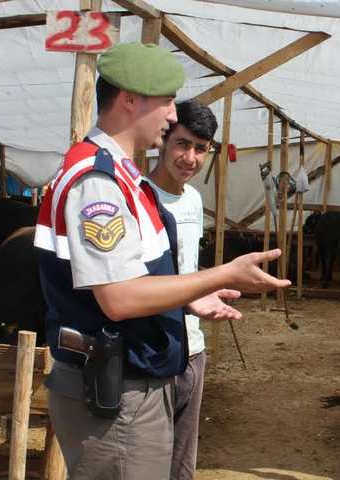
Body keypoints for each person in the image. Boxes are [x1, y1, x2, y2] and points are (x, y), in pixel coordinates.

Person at [34, 42, 289, 479]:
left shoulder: (121, 176)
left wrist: (186, 300)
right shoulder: (100, 181)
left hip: (130, 380)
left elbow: (124, 279)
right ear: (130, 99)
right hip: (117, 390)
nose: (172, 114)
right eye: (166, 101)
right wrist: (223, 273)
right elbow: (119, 297)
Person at [147, 98, 217, 480]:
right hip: (150, 349)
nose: (190, 157)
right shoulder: (138, 195)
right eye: (183, 144)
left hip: (192, 347)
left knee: (182, 464)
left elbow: (187, 268)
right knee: (146, 459)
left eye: (200, 149)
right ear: (164, 139)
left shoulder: (193, 199)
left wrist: (209, 286)